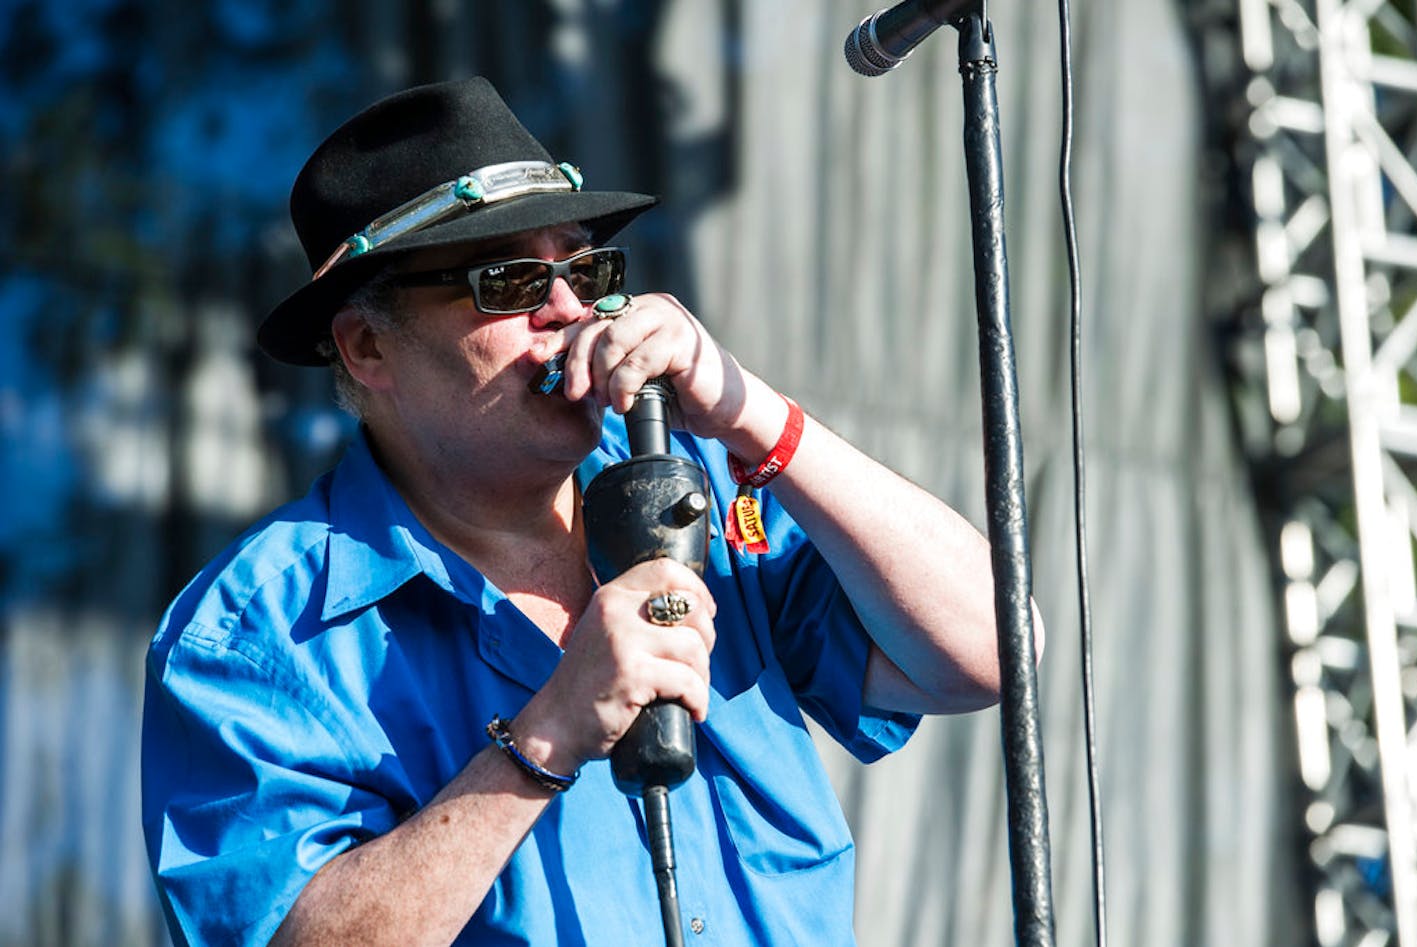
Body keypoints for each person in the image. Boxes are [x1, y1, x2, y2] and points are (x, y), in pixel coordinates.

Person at [141, 76, 1033, 947]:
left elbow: (996, 649)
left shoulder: (694, 484)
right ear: (369, 344)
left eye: (584, 266)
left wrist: (747, 410)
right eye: (510, 281)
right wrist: (548, 732)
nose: (568, 309)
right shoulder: (255, 633)